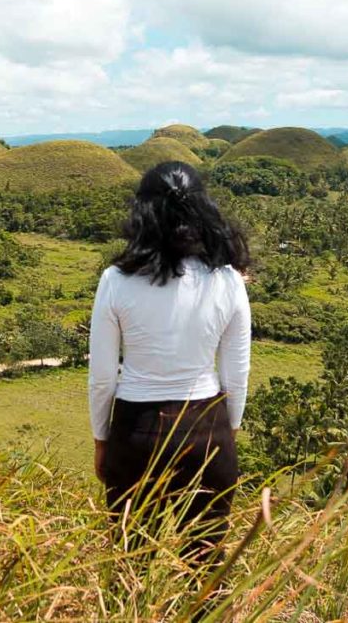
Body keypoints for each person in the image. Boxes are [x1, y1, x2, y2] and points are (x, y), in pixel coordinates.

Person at [89, 161, 252, 563]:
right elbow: (237, 373)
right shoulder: (229, 279)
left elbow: (103, 377)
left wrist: (101, 441)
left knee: (130, 566)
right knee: (203, 571)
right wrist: (225, 435)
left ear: (143, 212)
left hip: (136, 431)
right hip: (207, 429)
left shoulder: (116, 279)